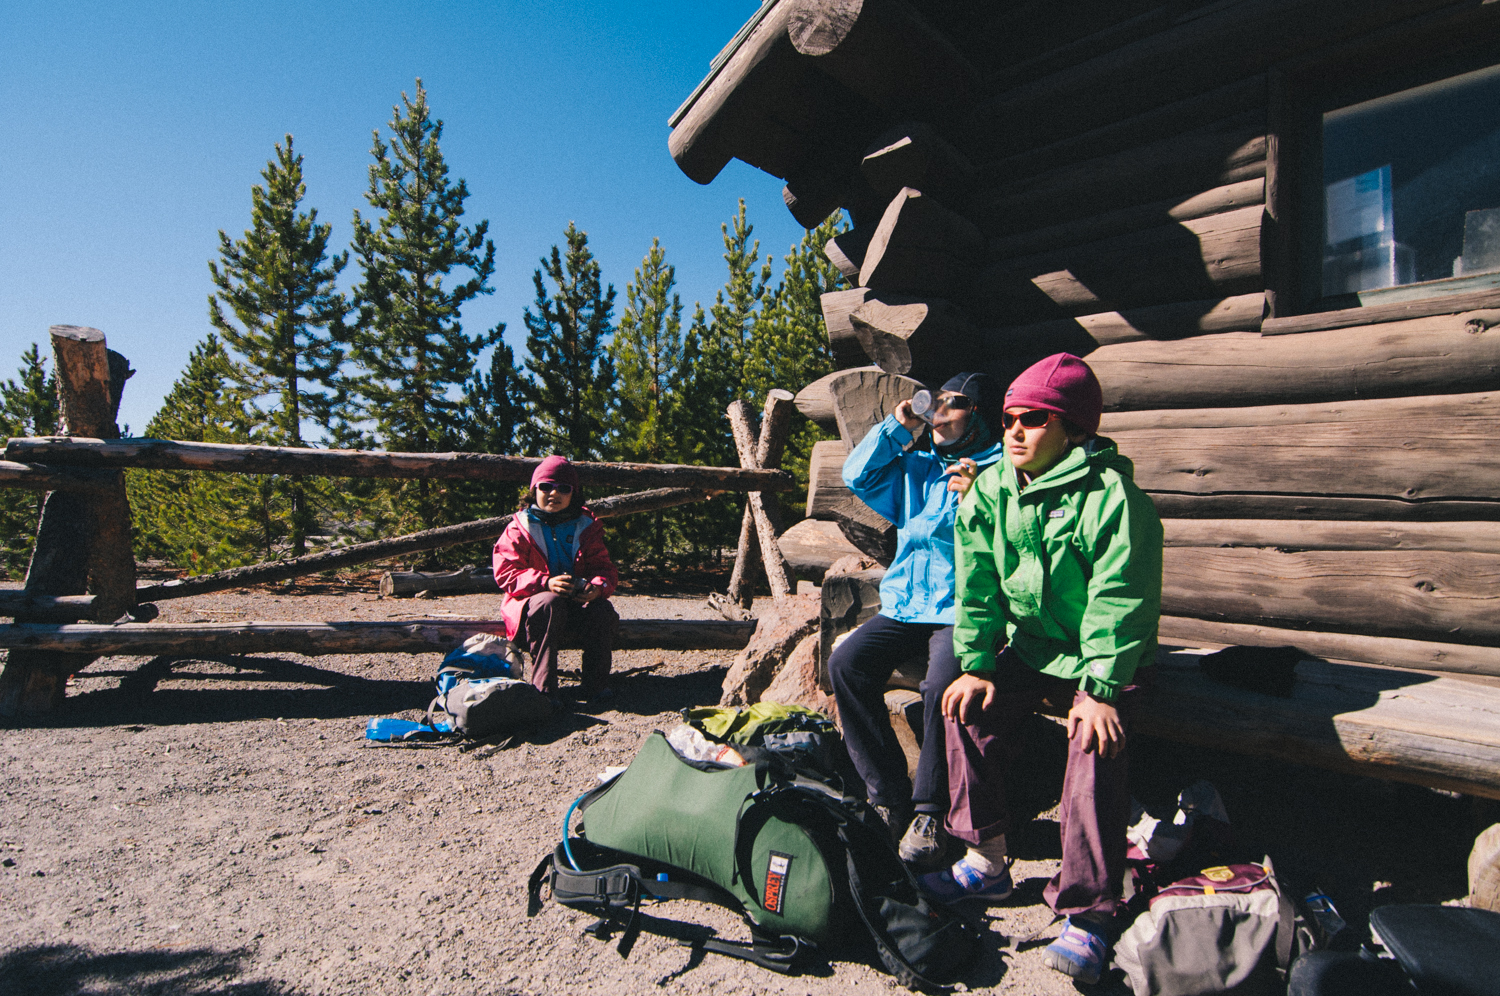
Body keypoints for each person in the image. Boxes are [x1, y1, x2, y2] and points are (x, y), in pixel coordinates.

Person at [919, 353, 1163, 986]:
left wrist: (1102, 688)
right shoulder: (992, 491)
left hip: (1103, 657)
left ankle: (1091, 909)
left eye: (1033, 419)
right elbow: (976, 587)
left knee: (1093, 739)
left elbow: (1121, 598)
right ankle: (987, 857)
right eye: (1008, 419)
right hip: (1034, 648)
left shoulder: (1113, 499)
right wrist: (973, 663)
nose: (1014, 431)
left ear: (1075, 430)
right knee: (962, 704)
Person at [828, 372, 1008, 871]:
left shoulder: (999, 472)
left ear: (979, 416)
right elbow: (857, 475)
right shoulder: (917, 467)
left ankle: (930, 811)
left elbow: (1013, 545)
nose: (939, 413)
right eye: (937, 403)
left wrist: (980, 501)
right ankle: (888, 794)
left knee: (940, 687)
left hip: (962, 609)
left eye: (954, 405)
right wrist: (897, 426)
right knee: (846, 664)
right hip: (907, 605)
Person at [492, 455, 619, 707]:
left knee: (602, 610)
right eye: (546, 486)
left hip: (575, 606)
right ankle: (544, 691)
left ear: (574, 493)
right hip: (532, 610)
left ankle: (596, 686)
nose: (554, 493)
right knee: (549, 602)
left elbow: (603, 568)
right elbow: (506, 571)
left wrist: (596, 587)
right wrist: (545, 582)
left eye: (563, 488)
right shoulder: (520, 527)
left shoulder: (586, 525)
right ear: (534, 489)